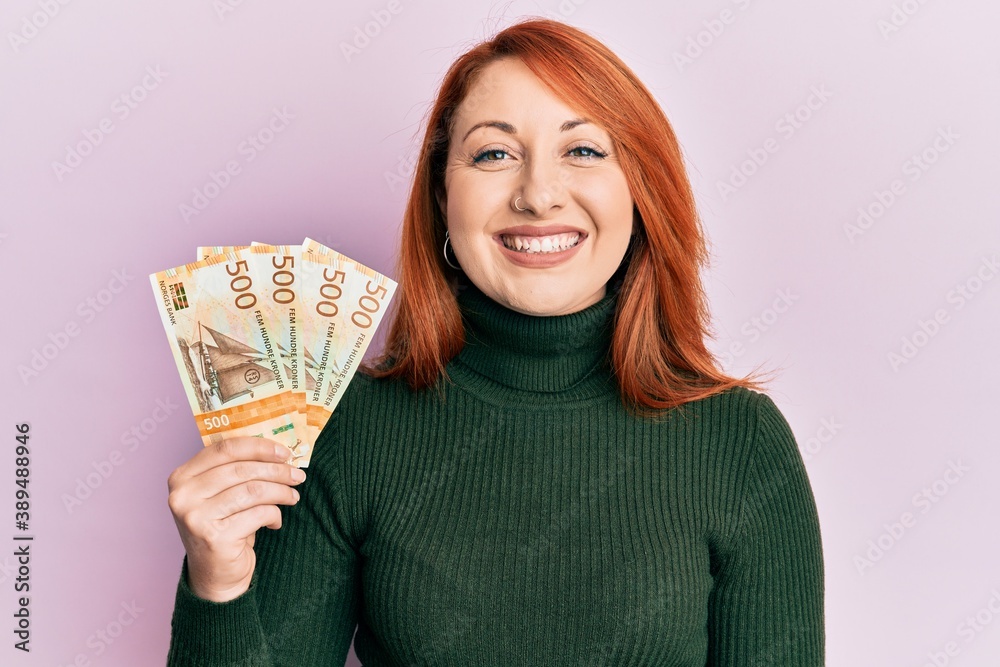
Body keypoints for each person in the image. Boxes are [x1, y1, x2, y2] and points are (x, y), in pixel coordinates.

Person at [165, 17, 824, 666]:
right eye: (493, 154)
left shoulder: (742, 443)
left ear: (641, 190)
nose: (538, 194)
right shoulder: (346, 430)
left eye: (584, 150)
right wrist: (216, 585)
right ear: (443, 195)